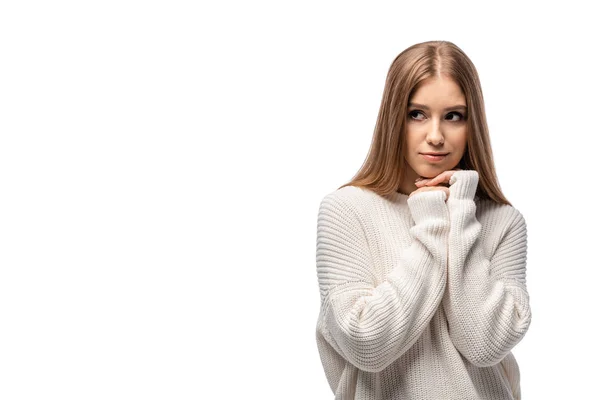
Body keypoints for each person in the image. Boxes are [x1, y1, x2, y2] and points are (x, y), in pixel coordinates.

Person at [314, 40, 532, 400]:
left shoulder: (503, 221)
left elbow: (485, 344)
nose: (435, 136)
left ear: (471, 123)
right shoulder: (346, 210)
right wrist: (433, 220)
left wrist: (459, 212)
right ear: (393, 119)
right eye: (417, 114)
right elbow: (368, 343)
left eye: (453, 116)